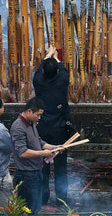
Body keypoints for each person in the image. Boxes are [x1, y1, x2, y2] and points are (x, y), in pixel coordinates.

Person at [10, 98, 64, 214]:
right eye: (38, 115)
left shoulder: (31, 123)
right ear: (29, 111)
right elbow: (22, 153)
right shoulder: (18, 127)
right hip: (26, 175)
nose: (39, 118)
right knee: (28, 210)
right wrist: (43, 153)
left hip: (36, 172)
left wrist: (55, 147)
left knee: (36, 208)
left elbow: (39, 142)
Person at [33, 47, 72, 207]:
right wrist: (55, 57)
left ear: (43, 72)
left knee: (43, 164)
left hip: (42, 129)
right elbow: (63, 69)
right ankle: (61, 200)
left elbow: (38, 70)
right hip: (61, 130)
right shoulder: (62, 81)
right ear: (56, 72)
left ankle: (43, 198)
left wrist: (48, 55)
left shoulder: (38, 83)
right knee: (61, 166)